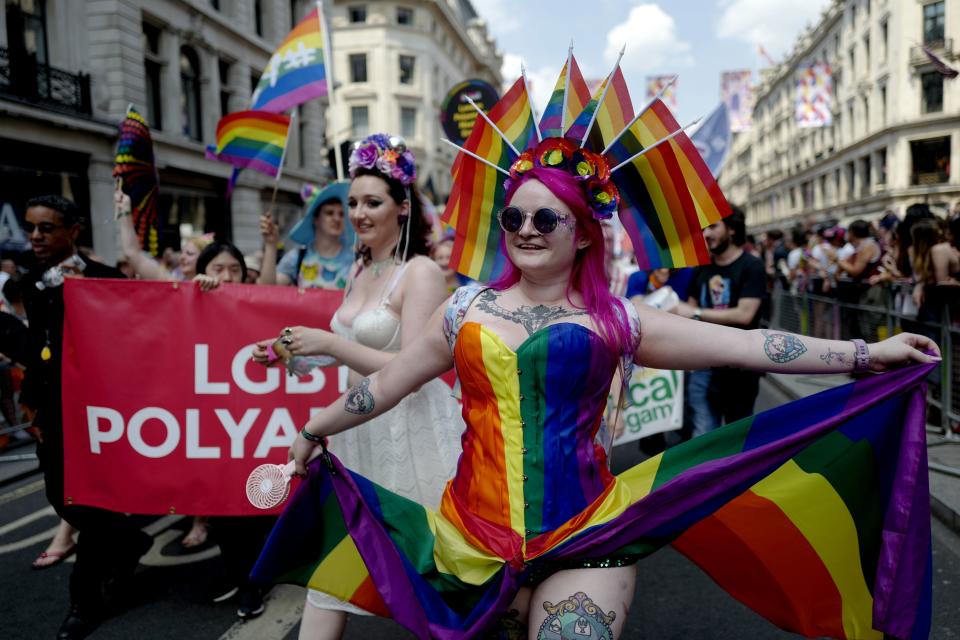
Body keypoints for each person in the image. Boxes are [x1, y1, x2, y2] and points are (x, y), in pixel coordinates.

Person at [251, 138, 938, 639]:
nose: (525, 229)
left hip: (589, 534)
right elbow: (388, 385)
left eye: (545, 218)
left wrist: (864, 352)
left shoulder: (618, 320)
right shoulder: (462, 311)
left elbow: (750, 344)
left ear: (581, 234)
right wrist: (315, 430)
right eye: (513, 218)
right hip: (469, 541)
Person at [252, 134, 464, 640]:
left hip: (411, 434)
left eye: (373, 202)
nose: (359, 214)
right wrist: (293, 351)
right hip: (355, 432)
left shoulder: (421, 273)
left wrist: (329, 340)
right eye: (352, 203)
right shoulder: (361, 267)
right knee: (334, 574)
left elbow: (412, 367)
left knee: (436, 576)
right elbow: (346, 348)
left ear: (403, 207)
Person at [7, 195, 152, 639]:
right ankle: (129, 540)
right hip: (53, 413)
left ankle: (82, 604)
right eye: (31, 228)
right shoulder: (30, 285)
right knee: (62, 498)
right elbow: (41, 351)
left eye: (47, 228)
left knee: (89, 501)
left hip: (102, 414)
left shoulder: (109, 279)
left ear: (73, 231)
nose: (35, 237)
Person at [672, 208, 766, 435]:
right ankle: (706, 471)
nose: (705, 234)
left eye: (713, 226)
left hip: (740, 366)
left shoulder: (752, 266)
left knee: (736, 435)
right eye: (703, 228)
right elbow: (689, 311)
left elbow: (744, 314)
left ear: (732, 229)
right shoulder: (701, 268)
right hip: (703, 364)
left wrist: (695, 313)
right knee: (704, 433)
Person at [258, 182, 355, 289]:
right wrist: (271, 245)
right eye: (329, 213)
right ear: (315, 219)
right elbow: (267, 289)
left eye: (341, 214)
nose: (337, 219)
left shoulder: (355, 260)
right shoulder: (297, 257)